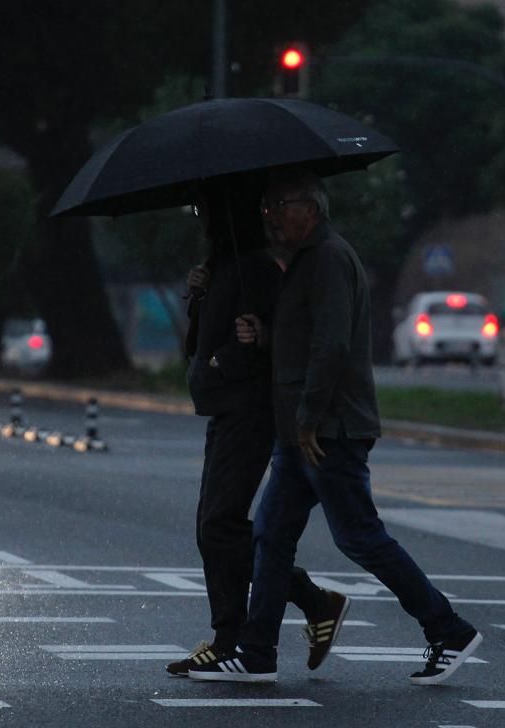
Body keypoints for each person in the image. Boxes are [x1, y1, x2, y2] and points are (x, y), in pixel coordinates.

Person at [187, 168, 481, 684]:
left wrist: (307, 419)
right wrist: (265, 332)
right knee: (272, 538)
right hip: (303, 432)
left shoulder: (327, 258)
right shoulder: (305, 261)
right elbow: (303, 337)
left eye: (281, 205)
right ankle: (257, 654)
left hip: (329, 431)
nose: (271, 216)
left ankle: (448, 629)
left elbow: (332, 345)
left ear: (311, 208)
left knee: (360, 537)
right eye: (268, 208)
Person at [166, 179, 351, 677]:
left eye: (205, 208)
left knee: (218, 526)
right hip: (223, 409)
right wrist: (201, 298)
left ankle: (309, 601)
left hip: (250, 412)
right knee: (212, 527)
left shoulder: (259, 271)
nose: (201, 218)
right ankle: (228, 635)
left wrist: (249, 342)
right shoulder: (223, 270)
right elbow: (194, 349)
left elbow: (287, 343)